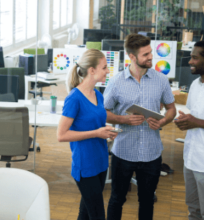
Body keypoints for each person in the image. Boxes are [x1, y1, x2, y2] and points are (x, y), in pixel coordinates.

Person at [104, 34, 176, 220]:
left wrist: (162, 122)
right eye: (145, 54)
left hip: (152, 153)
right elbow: (103, 112)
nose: (151, 57)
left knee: (147, 201)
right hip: (123, 153)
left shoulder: (161, 80)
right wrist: (124, 120)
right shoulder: (116, 81)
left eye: (150, 52)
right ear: (132, 57)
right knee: (117, 199)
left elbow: (171, 109)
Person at [57, 49, 118, 220]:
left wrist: (106, 131)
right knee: (98, 215)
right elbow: (61, 135)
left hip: (100, 161)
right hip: (85, 165)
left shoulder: (97, 94)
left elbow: (93, 123)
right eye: (104, 67)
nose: (107, 71)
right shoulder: (74, 98)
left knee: (85, 214)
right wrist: (97, 133)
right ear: (92, 70)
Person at [174, 41, 204, 220]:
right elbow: (193, 115)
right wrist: (184, 121)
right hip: (190, 159)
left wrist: (197, 122)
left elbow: (197, 120)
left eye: (194, 57)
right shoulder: (194, 85)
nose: (190, 62)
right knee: (193, 211)